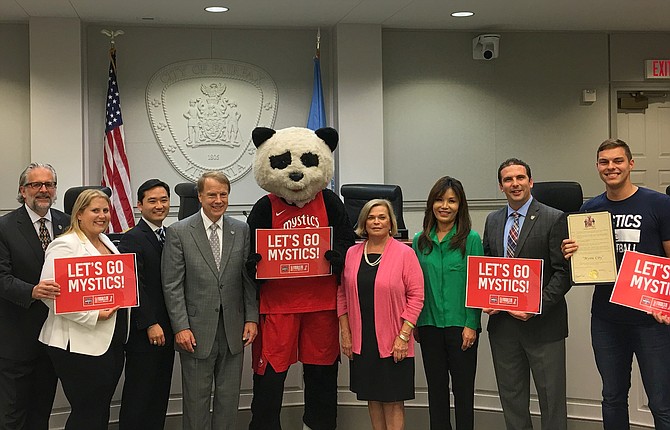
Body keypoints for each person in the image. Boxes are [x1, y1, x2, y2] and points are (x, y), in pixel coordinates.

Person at [562, 139, 670, 429]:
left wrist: (667, 305)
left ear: (631, 164)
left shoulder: (659, 204)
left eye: (617, 161)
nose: (611, 167)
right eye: (604, 162)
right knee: (612, 397)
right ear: (598, 167)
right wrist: (572, 253)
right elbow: (584, 266)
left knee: (662, 402)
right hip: (607, 319)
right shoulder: (590, 209)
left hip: (651, 320)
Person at [162, 171, 259, 430]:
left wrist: (251, 318)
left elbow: (247, 280)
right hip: (194, 332)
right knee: (196, 403)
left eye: (223, 194)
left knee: (229, 401)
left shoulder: (241, 229)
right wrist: (180, 327)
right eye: (212, 194)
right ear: (200, 196)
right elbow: (172, 285)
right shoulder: (179, 232)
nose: (218, 200)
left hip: (233, 329)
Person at [482, 158, 571, 430]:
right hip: (504, 327)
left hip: (544, 325)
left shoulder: (554, 218)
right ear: (501, 186)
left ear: (530, 182)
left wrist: (536, 305)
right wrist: (487, 297)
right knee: (512, 399)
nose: (515, 184)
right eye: (508, 180)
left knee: (551, 400)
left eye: (520, 178)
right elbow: (489, 266)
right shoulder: (493, 220)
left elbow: (564, 273)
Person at [39, 189, 128, 429]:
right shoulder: (64, 245)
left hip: (109, 343)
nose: (102, 216)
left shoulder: (106, 241)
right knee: (86, 412)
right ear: (79, 214)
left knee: (99, 409)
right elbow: (50, 297)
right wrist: (92, 314)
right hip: (76, 346)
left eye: (105, 210)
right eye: (95, 210)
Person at [338, 199, 424, 430]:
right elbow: (342, 295)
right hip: (362, 340)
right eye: (371, 217)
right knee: (372, 397)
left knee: (393, 399)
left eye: (382, 217)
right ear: (363, 222)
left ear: (391, 223)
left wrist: (403, 337)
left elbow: (417, 297)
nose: (376, 221)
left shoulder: (405, 253)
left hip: (394, 340)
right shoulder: (352, 253)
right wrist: (345, 332)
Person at [0, 162, 69, 429]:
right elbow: (2, 278)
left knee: (42, 411)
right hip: (17, 340)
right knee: (13, 414)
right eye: (35, 184)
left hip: (53, 337)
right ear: (22, 190)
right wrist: (32, 291)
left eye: (49, 184)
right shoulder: (5, 227)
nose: (43, 190)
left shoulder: (66, 222)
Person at [412, 176, 483, 430]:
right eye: (440, 200)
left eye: (452, 201)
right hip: (429, 326)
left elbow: (477, 285)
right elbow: (415, 287)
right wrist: (415, 323)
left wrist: (471, 324)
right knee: (436, 391)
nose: (445, 205)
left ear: (460, 205)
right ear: (431, 204)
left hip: (461, 327)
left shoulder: (471, 238)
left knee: (463, 393)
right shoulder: (420, 240)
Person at [118, 179, 174, 429]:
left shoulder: (172, 235)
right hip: (145, 334)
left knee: (160, 394)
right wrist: (150, 322)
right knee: (139, 396)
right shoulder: (131, 239)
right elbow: (135, 285)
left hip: (170, 330)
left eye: (163, 200)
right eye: (152, 201)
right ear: (139, 205)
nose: (159, 205)